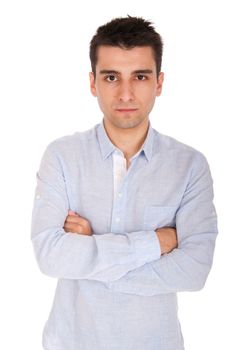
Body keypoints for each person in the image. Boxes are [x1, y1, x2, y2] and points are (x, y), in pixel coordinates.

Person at [31, 15, 218, 350]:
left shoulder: (190, 166)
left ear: (159, 83)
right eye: (112, 77)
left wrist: (90, 255)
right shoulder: (61, 156)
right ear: (93, 83)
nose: (126, 93)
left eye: (141, 76)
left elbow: (194, 271)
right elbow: (50, 256)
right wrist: (157, 243)